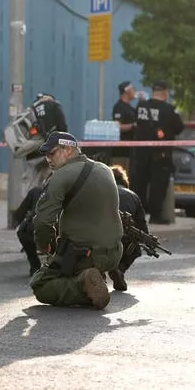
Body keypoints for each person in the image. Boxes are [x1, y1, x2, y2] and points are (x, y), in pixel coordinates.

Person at [29, 131, 123, 310]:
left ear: (68, 150)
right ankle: (93, 277)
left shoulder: (61, 176)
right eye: (46, 155)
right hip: (115, 253)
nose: (48, 159)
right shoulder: (105, 169)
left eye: (52, 153)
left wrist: (44, 245)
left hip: (84, 255)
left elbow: (42, 221)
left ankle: (82, 284)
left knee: (40, 285)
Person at [130, 81, 184, 224]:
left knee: (139, 184)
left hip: (141, 152)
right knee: (158, 185)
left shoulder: (141, 106)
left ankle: (137, 216)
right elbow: (179, 128)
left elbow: (137, 124)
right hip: (161, 154)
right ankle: (155, 215)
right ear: (165, 92)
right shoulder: (169, 109)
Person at [109, 165, 147, 291]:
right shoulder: (133, 196)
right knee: (136, 248)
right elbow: (142, 224)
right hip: (125, 240)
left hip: (101, 237)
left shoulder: (102, 193)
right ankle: (120, 269)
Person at [22, 93, 67, 198]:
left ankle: (30, 209)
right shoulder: (54, 106)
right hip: (51, 151)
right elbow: (63, 129)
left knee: (32, 185)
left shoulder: (31, 109)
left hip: (33, 153)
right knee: (54, 182)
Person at [14, 184, 47, 276]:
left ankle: (35, 266)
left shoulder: (36, 191)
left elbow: (19, 213)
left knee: (23, 232)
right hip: (59, 232)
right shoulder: (68, 191)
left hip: (34, 231)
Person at [112, 81, 145, 170]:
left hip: (132, 149)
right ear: (127, 91)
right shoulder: (119, 107)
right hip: (122, 150)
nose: (134, 91)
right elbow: (117, 127)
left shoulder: (129, 107)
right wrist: (132, 126)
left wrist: (141, 102)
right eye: (132, 89)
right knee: (122, 174)